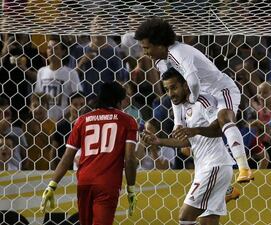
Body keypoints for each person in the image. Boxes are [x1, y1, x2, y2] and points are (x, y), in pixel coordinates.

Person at [135, 17, 253, 183]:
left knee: (223, 120)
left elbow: (193, 81)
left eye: (146, 48)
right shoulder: (162, 61)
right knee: (201, 138)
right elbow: (173, 95)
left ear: (159, 44)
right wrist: (178, 123)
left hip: (221, 89)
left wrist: (191, 99)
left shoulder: (178, 52)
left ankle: (244, 168)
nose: (145, 52)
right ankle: (225, 188)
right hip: (202, 95)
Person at [142, 68, 236, 225]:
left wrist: (195, 130)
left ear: (186, 85)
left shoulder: (202, 101)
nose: (170, 93)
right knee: (208, 221)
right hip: (208, 167)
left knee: (185, 217)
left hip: (214, 165)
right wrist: (157, 141)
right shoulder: (184, 108)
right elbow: (186, 141)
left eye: (174, 87)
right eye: (166, 89)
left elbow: (221, 129)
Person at [40, 82, 139, 225]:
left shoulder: (82, 120)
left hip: (84, 182)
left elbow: (67, 157)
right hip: (107, 183)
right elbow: (129, 159)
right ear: (118, 100)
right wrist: (131, 188)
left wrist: (52, 184)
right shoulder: (128, 121)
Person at [35, 35, 82, 121]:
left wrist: (63, 121)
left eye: (55, 48)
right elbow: (37, 99)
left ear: (63, 51)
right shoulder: (41, 72)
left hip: (64, 122)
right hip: (45, 122)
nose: (51, 51)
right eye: (49, 48)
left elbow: (78, 100)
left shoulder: (71, 73)